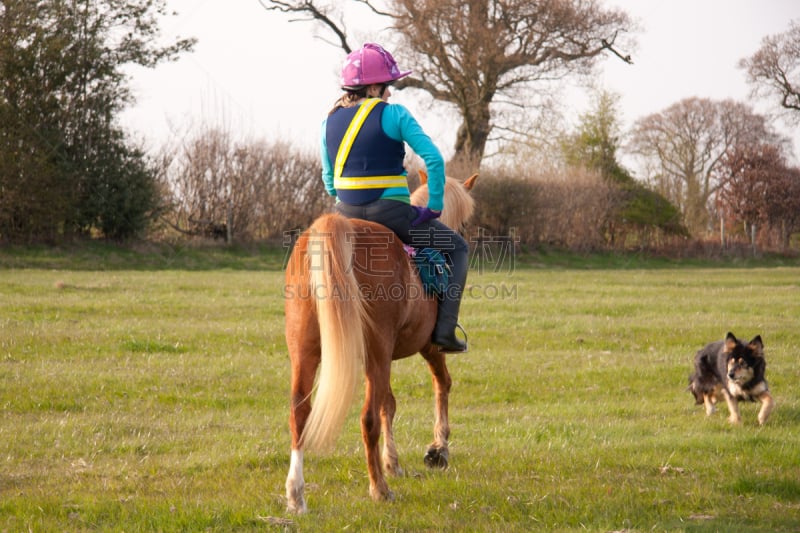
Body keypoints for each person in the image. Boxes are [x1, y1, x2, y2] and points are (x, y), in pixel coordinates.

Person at [320, 42, 469, 353]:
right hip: (392, 215)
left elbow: (329, 182)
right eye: (388, 86)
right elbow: (434, 160)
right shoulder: (395, 114)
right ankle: (444, 333)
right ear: (374, 87)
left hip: (344, 215)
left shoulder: (328, 121)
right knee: (457, 248)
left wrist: (347, 196)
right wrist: (435, 206)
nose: (390, 93)